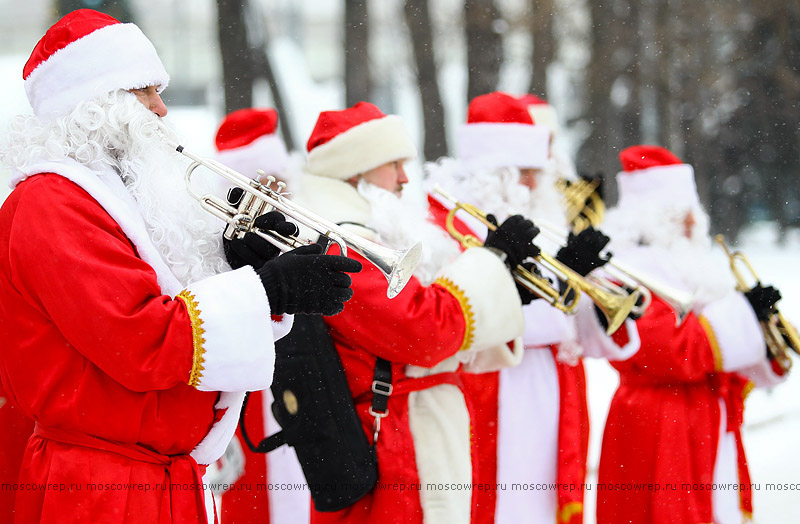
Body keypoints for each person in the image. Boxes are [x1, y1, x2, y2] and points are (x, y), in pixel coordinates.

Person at [0, 9, 360, 524]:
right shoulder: (51, 203)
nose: (162, 109)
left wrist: (239, 267)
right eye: (144, 91)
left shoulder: (102, 196)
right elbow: (138, 337)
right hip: (100, 486)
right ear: (95, 104)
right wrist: (266, 292)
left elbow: (164, 304)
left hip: (156, 478)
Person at [292, 101, 538, 524]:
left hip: (407, 431)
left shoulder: (365, 235)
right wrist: (492, 260)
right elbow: (422, 332)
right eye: (393, 165)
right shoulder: (341, 243)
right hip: (394, 442)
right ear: (356, 172)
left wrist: (506, 289)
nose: (406, 178)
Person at [575, 145, 787, 524]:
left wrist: (765, 338)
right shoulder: (627, 272)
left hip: (706, 416)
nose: (693, 223)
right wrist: (743, 317)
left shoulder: (694, 269)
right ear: (652, 219)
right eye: (679, 214)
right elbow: (674, 353)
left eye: (692, 212)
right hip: (657, 420)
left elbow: (721, 356)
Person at [424, 91, 610, 524]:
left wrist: (582, 292)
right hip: (489, 388)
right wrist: (550, 287)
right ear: (493, 173)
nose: (533, 184)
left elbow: (567, 322)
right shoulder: (447, 223)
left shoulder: (541, 218)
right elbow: (463, 312)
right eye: (524, 172)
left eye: (536, 172)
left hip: (549, 385)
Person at [209, 107, 310, 524]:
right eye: (263, 186)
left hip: (296, 390)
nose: (277, 195)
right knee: (246, 502)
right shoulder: (212, 243)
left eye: (280, 184)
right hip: (246, 396)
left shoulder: (301, 231)